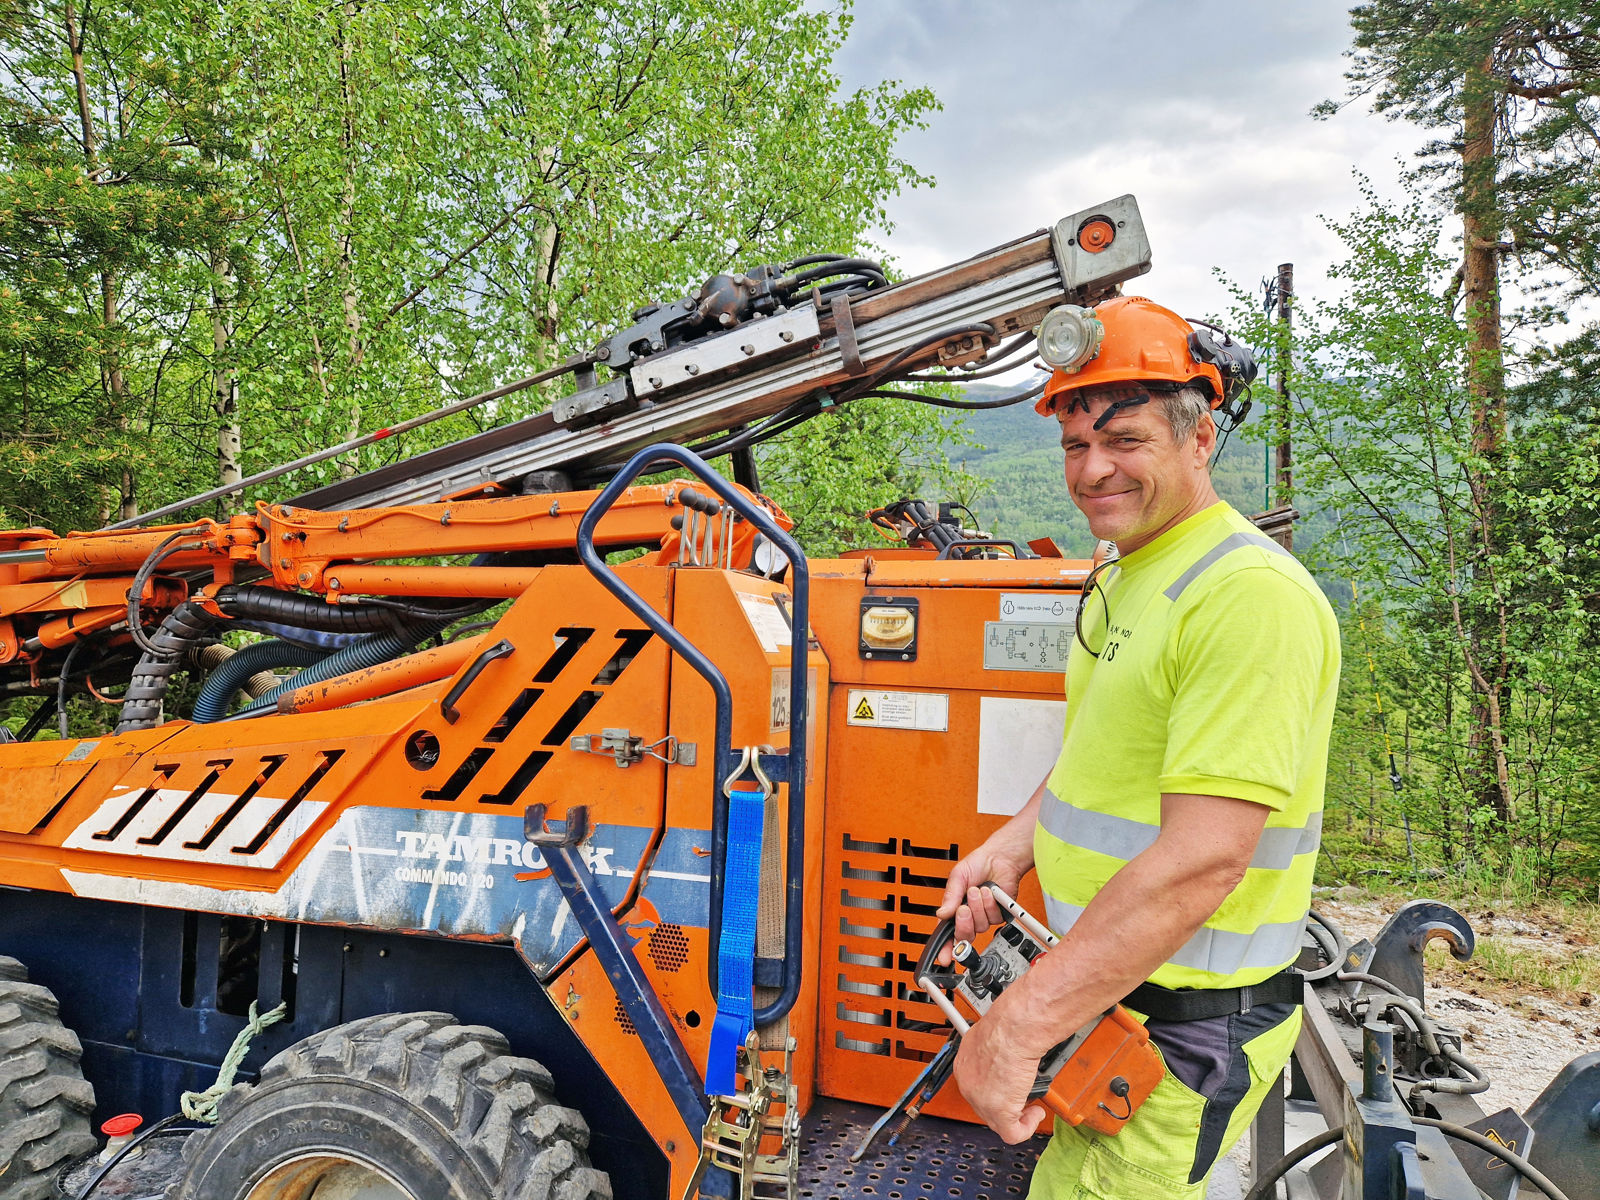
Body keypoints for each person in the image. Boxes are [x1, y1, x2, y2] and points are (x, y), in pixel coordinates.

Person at [939, 296, 1340, 1198]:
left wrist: (1015, 1027)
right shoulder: (1129, 568)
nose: (1093, 470)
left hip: (1181, 1036)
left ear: (1200, 439)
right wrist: (1015, 839)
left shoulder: (1245, 597)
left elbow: (1204, 861)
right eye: (1076, 445)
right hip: (1110, 1002)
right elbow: (1105, 748)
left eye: (1126, 439)